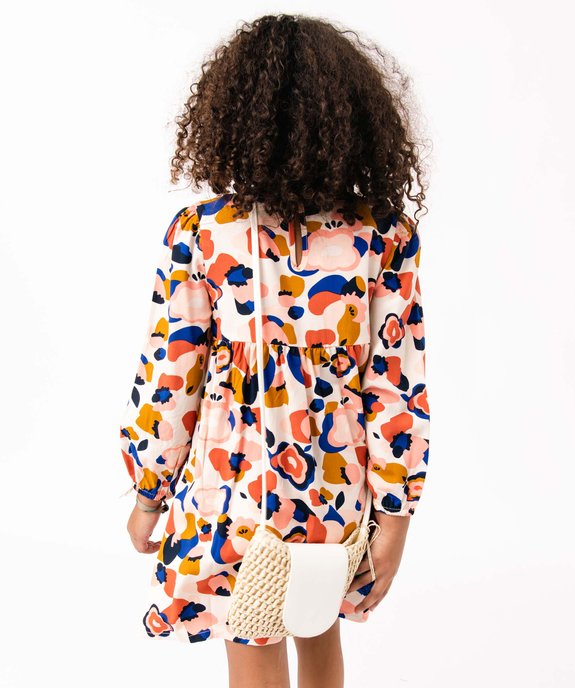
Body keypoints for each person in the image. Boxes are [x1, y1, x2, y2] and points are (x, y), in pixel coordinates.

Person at [119, 12, 430, 688]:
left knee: (251, 635)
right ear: (352, 117)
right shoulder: (382, 234)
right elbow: (395, 382)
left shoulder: (205, 232)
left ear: (233, 118)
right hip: (333, 483)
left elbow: (170, 375)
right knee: (317, 627)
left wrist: (148, 492)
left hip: (231, 482)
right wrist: (395, 512)